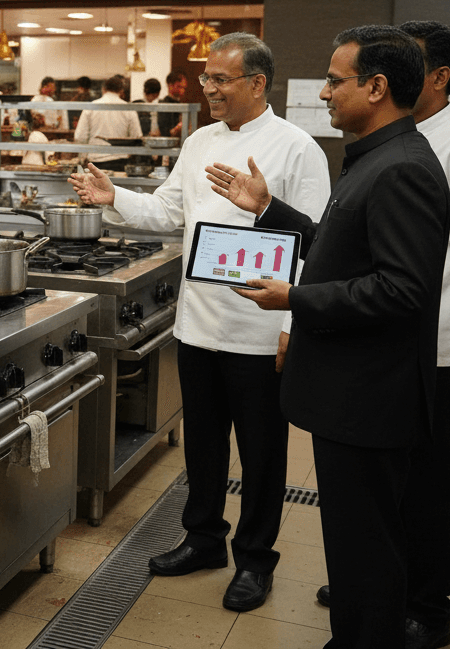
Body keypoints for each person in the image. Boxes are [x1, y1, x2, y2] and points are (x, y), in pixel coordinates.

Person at [206, 25, 450, 648]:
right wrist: (270, 211)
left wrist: (295, 298)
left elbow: (401, 291)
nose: (324, 91)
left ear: (376, 87)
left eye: (336, 81)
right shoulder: (376, 157)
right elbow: (345, 252)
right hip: (355, 399)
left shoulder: (403, 170)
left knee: (365, 548)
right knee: (355, 545)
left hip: (368, 400)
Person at [69, 34, 330, 613]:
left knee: (263, 455)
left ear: (257, 84)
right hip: (200, 325)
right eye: (206, 78)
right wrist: (116, 195)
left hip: (262, 329)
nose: (207, 88)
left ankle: (256, 560)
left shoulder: (297, 147)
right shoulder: (199, 142)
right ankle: (204, 538)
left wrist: (295, 324)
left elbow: (317, 243)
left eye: (220, 80)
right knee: (204, 446)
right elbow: (168, 212)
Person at [313, 22, 450, 649]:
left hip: (438, 345)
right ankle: (377, 588)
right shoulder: (391, 144)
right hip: (389, 343)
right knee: (383, 488)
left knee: (426, 485)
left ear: (436, 76)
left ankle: (427, 605)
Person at [72, 75, 143, 170]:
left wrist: (83, 157)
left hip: (96, 161)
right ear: (121, 91)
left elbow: (80, 136)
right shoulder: (129, 109)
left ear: (103, 89)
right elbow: (137, 137)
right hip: (121, 161)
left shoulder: (91, 107)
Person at [157, 70, 188, 137]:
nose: (182, 90)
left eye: (184, 88)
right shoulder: (164, 104)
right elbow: (164, 132)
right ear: (170, 85)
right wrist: (178, 128)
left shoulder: (181, 105)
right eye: (179, 87)